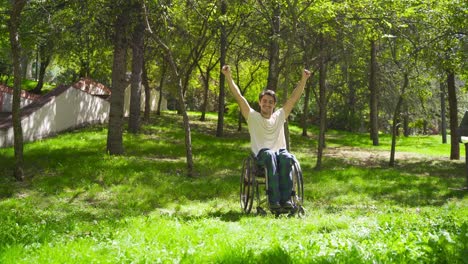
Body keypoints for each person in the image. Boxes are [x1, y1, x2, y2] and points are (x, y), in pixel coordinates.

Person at [221, 65, 311, 211]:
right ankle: (273, 201)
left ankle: (287, 201)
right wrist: (228, 76)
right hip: (262, 156)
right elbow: (239, 97)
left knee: (287, 157)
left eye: (270, 102)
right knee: (269, 155)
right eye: (264, 101)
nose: (267, 104)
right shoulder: (252, 117)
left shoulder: (279, 116)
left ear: (274, 104)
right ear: (260, 103)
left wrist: (304, 79)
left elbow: (294, 98)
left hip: (279, 154)